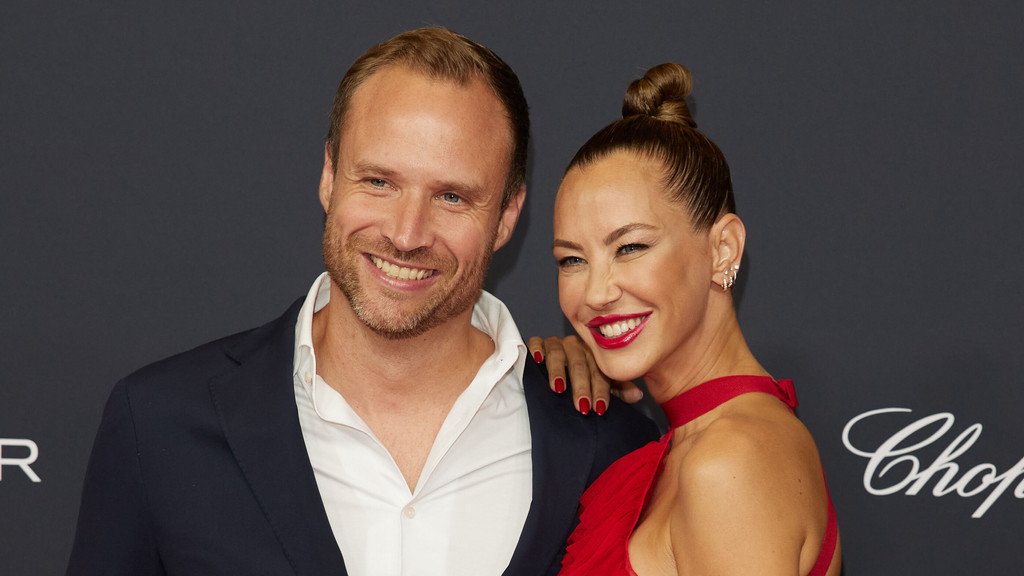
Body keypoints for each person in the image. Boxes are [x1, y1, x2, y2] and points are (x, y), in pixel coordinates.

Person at [66, 27, 658, 576]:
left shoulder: (608, 447)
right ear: (329, 175)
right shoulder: (161, 423)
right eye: (379, 182)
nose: (406, 234)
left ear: (506, 215)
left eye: (452, 197)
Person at [539, 63, 841, 575]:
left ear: (723, 249)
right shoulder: (701, 444)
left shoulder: (729, 463)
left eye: (630, 247)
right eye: (572, 259)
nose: (596, 293)